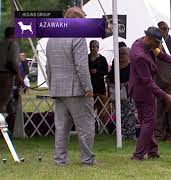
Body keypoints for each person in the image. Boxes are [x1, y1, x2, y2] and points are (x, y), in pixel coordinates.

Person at [46, 7, 95, 166]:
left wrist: (51, 86)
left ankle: (60, 160)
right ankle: (87, 160)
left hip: (58, 89)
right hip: (77, 90)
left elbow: (48, 66)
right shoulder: (78, 37)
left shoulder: (51, 37)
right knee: (86, 126)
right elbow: (81, 65)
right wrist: (88, 87)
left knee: (61, 128)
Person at [129, 26, 171, 160]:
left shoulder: (144, 43)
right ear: (149, 39)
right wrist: (165, 95)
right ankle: (138, 155)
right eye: (157, 42)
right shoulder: (139, 56)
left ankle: (153, 151)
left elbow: (161, 54)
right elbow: (148, 82)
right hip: (143, 91)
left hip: (140, 89)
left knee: (146, 122)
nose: (158, 45)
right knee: (149, 122)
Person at [107, 42, 136, 139]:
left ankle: (130, 135)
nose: (121, 56)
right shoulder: (115, 66)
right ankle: (121, 134)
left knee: (129, 114)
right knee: (120, 115)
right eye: (119, 54)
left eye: (123, 54)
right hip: (117, 94)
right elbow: (109, 78)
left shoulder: (132, 66)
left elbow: (135, 79)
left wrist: (125, 84)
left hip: (129, 94)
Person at [0, 27, 22, 113]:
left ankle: (10, 119)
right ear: (13, 34)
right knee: (4, 100)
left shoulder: (1, 44)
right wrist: (19, 77)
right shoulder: (13, 44)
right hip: (7, 76)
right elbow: (14, 63)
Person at [88, 40, 109, 122]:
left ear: (98, 48)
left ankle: (101, 125)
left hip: (100, 86)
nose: (93, 48)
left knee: (101, 107)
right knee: (89, 107)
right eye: (91, 46)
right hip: (89, 86)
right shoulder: (86, 58)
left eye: (95, 46)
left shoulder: (103, 59)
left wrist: (97, 71)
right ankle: (89, 123)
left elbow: (106, 71)